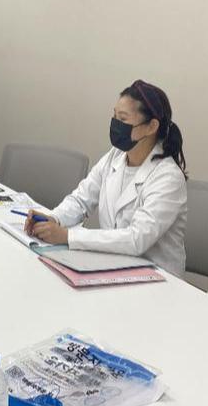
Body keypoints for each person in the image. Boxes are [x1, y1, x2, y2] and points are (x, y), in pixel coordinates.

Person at [25, 79, 187, 276]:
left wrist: (67, 236)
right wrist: (54, 218)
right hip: (114, 266)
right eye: (114, 116)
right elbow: (81, 199)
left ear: (151, 126)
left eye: (123, 119)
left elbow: (136, 239)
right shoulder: (116, 155)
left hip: (158, 277)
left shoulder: (168, 177)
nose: (116, 124)